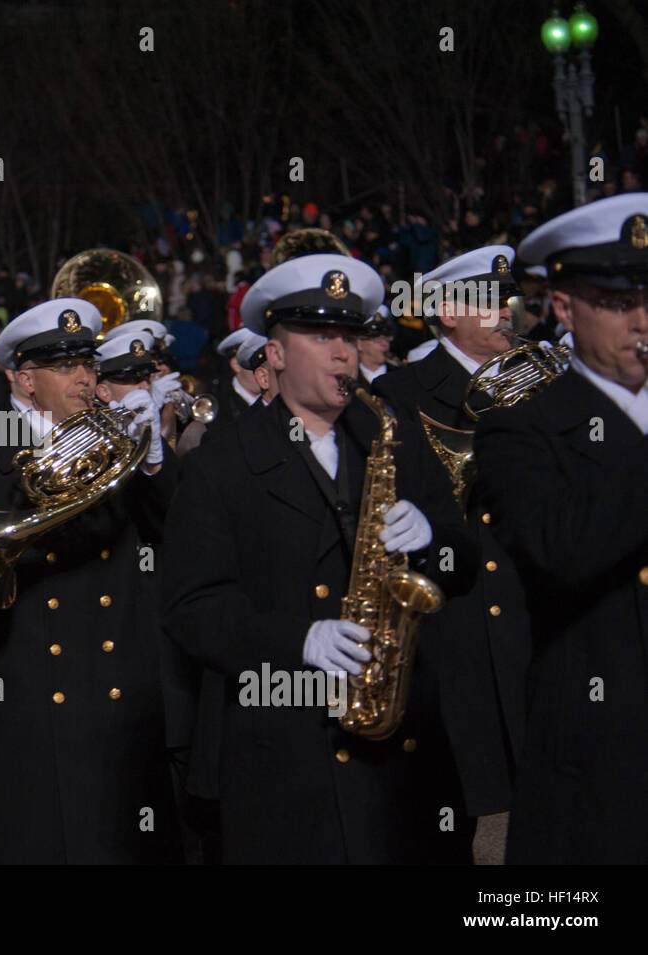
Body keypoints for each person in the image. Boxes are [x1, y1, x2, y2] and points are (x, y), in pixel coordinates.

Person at [163, 254, 476, 863]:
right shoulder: (221, 462)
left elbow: (464, 558)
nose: (343, 354)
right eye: (321, 336)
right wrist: (296, 640)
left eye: (350, 336)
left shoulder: (395, 434)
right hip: (283, 752)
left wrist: (434, 538)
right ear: (274, 354)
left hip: (403, 753)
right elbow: (190, 608)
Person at [0, 298, 181, 864]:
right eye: (65, 367)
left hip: (119, 673)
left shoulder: (121, 440)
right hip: (33, 677)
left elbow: (176, 532)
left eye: (87, 364)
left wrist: (154, 457)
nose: (84, 377)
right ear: (25, 380)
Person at [475, 194, 648, 863]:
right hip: (597, 760)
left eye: (647, 295)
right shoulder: (523, 420)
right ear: (564, 307)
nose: (641, 318)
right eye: (617, 300)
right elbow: (562, 548)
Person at [374, 246, 531, 826]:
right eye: (486, 301)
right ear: (446, 312)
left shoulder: (533, 378)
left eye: (504, 299)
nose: (504, 311)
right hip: (452, 619)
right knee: (469, 808)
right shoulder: (402, 392)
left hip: (526, 610)